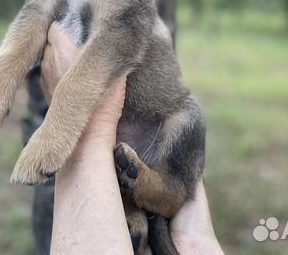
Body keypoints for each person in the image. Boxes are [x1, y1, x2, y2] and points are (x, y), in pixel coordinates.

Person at [41, 22, 225, 255]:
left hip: (144, 124)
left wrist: (83, 122)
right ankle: (134, 213)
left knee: (187, 115)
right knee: (118, 164)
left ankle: (161, 192)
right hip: (119, 145)